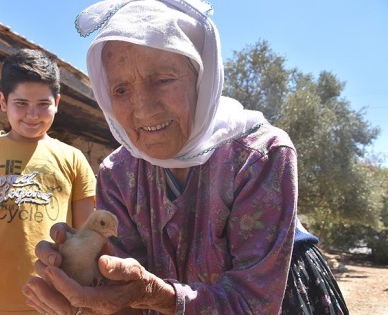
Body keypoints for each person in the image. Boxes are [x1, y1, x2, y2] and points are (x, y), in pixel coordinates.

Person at [23, 0, 349, 314]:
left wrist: (156, 295)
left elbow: (255, 304)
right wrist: (86, 300)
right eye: (120, 89)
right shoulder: (118, 174)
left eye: (163, 79)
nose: (144, 109)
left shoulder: (259, 156)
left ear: (201, 78)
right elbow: (123, 296)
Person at [0, 48, 97, 314]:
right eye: (21, 103)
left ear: (57, 102)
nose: (33, 115)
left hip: (52, 304)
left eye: (43, 104)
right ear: (3, 101)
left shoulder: (74, 159)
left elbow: (86, 240)